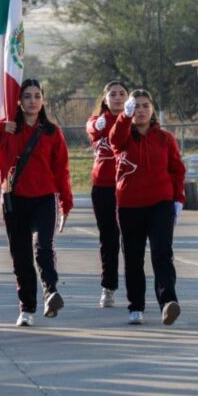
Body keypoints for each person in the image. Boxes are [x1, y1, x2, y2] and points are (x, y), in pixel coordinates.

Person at [0, 78, 73, 327]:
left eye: (37, 96)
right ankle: (27, 308)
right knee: (21, 256)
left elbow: (61, 170)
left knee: (43, 247)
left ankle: (51, 292)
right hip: (14, 200)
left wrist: (66, 203)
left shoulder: (52, 132)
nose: (32, 101)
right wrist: (1, 125)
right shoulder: (7, 130)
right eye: (27, 96)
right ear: (19, 101)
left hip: (44, 199)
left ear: (43, 100)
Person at [109, 89, 186, 327]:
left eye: (145, 106)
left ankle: (168, 302)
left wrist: (178, 200)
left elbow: (177, 170)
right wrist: (124, 116)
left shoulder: (165, 138)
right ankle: (136, 306)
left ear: (152, 110)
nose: (141, 110)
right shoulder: (123, 136)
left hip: (160, 203)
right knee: (133, 257)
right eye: (136, 106)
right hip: (130, 204)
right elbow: (114, 138)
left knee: (162, 252)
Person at [85, 80, 129, 309]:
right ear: (105, 98)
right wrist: (99, 123)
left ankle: (135, 289)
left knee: (131, 239)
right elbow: (92, 128)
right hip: (103, 187)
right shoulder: (98, 121)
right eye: (113, 94)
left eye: (122, 94)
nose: (118, 97)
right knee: (109, 238)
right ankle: (108, 287)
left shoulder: (134, 120)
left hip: (129, 186)